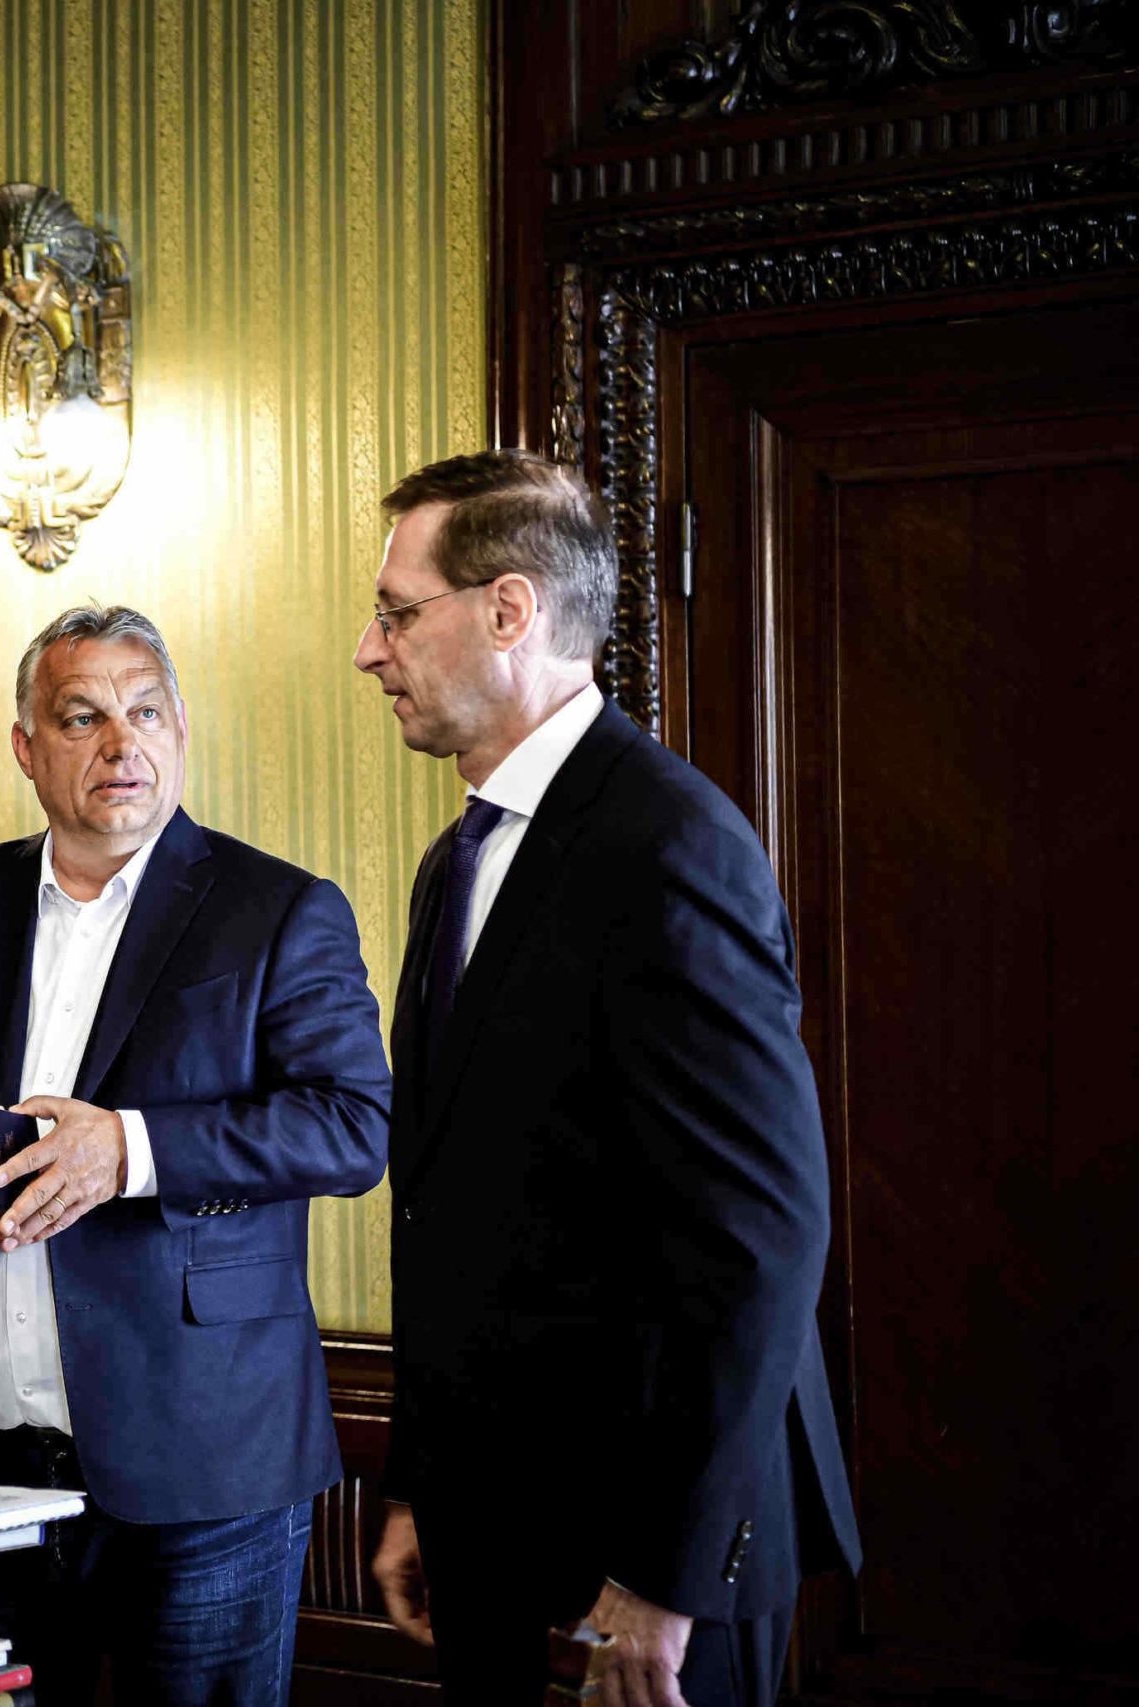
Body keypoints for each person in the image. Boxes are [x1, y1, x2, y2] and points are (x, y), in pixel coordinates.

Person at [352, 451, 860, 1707]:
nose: (369, 651)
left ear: (507, 610)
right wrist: (420, 1488)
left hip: (642, 1559)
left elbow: (759, 1238)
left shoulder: (670, 845)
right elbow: (449, 1212)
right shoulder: (457, 859)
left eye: (397, 613)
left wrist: (660, 1575)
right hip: (489, 1525)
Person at [0, 604, 392, 1705]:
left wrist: (125, 1150)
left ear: (181, 727)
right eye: (81, 717)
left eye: (145, 712)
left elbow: (351, 1125)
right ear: (26, 747)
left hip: (207, 1467)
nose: (120, 744)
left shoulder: (277, 910)